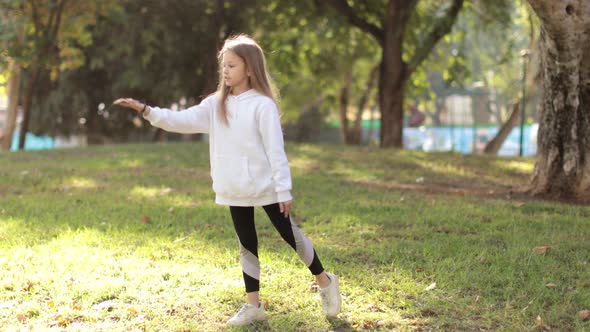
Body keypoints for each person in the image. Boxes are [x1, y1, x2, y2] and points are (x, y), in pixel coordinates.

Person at [113, 34, 341, 326]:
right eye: (224, 65)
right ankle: (253, 305)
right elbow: (181, 120)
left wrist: (283, 188)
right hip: (234, 187)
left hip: (266, 187)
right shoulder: (215, 104)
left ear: (249, 68)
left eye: (231, 65)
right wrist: (147, 111)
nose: (226, 71)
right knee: (246, 243)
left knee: (290, 236)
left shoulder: (262, 105)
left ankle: (325, 281)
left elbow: (275, 150)